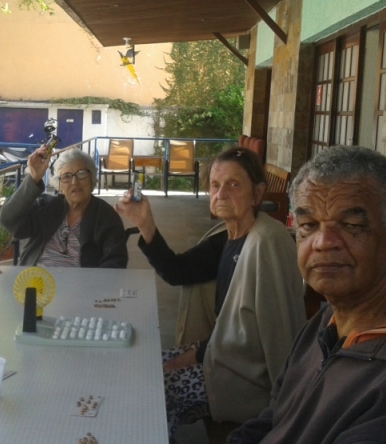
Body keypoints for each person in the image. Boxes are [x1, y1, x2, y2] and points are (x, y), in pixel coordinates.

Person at [228, 146, 386, 443]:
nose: (323, 242)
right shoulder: (334, 315)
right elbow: (277, 414)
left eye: (350, 225)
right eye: (309, 225)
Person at [115, 147, 305, 438]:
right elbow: (178, 271)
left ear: (257, 193)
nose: (221, 194)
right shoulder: (227, 236)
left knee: (152, 388)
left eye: (233, 184)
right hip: (220, 355)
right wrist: (145, 222)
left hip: (246, 379)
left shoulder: (268, 242)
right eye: (215, 186)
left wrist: (287, 414)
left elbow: (279, 335)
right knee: (141, 362)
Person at [0, 146, 127, 268]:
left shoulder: (106, 216)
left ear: (91, 177)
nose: (74, 182)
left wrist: (91, 285)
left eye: (81, 173)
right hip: (33, 282)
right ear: (59, 185)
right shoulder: (46, 207)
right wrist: (34, 177)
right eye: (67, 176)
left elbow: (115, 261)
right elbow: (8, 220)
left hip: (80, 287)